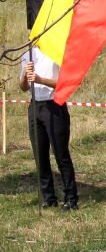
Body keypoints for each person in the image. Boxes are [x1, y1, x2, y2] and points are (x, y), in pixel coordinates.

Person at [20, 46, 79, 211]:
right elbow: (22, 86)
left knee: (61, 153)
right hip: (34, 107)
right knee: (40, 154)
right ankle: (48, 197)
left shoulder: (57, 52)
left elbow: (64, 82)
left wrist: (40, 80)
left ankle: (71, 198)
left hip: (54, 105)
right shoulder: (27, 55)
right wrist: (25, 76)